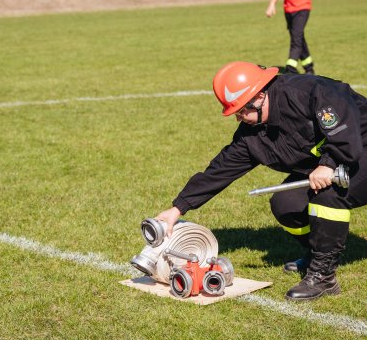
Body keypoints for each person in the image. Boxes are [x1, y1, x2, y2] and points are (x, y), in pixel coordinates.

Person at [155, 61, 367, 301]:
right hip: (332, 164)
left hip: (360, 151)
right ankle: (317, 252)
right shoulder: (252, 134)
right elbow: (220, 169)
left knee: (327, 196)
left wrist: (328, 164)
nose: (239, 118)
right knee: (285, 203)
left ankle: (324, 276)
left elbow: (345, 131)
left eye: (242, 110)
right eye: (235, 112)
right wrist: (178, 207)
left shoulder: (309, 92)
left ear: (260, 96)